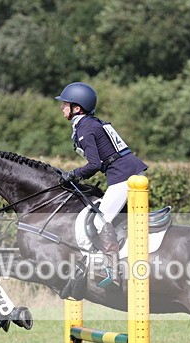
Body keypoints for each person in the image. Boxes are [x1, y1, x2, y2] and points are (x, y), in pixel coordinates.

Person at [55, 82, 148, 288]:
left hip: (123, 175)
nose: (62, 108)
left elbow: (94, 164)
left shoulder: (86, 128)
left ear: (77, 108)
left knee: (99, 221)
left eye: (65, 104)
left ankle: (113, 272)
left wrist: (72, 174)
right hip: (126, 171)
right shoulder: (89, 123)